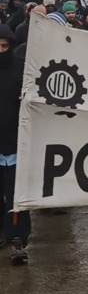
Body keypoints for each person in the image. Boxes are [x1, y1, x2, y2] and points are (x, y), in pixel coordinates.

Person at [0, 24, 30, 264]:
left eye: (4, 46)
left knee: (16, 196)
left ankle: (18, 239)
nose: (0, 50)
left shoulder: (21, 71)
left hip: (16, 145)